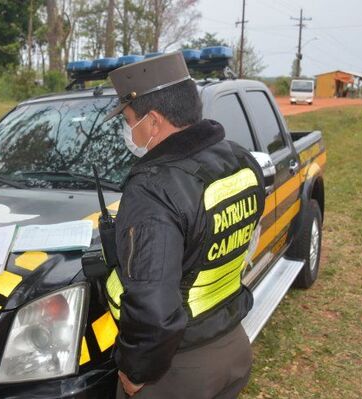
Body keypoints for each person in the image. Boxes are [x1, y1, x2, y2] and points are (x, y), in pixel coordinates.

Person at [103, 52, 266, 398]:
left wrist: (135, 370)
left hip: (177, 370)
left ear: (154, 121)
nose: (127, 129)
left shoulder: (154, 188)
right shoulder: (239, 159)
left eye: (129, 119)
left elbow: (153, 306)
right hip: (233, 344)